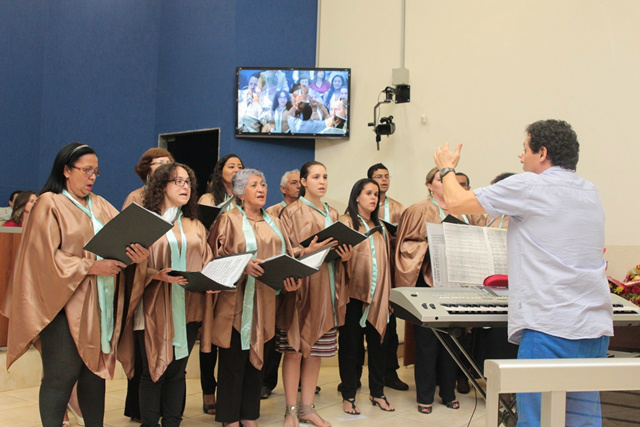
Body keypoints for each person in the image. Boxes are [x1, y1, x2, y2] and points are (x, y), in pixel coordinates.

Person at [433, 119, 613, 427]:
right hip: (593, 329)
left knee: (538, 421)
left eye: (524, 149)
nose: (521, 157)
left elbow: (454, 201)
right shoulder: (589, 190)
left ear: (542, 153)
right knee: (580, 422)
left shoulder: (529, 185)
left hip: (550, 328)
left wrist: (447, 169)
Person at [1, 142, 148, 427]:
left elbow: (120, 243)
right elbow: (41, 257)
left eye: (96, 171)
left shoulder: (102, 204)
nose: (92, 176)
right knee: (61, 376)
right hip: (63, 304)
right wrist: (90, 266)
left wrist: (135, 256)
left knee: (94, 375)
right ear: (66, 170)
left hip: (99, 305)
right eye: (86, 170)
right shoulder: (50, 203)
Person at [205, 168, 302, 427]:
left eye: (263, 184)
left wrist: (290, 278)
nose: (261, 189)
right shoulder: (228, 220)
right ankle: (229, 417)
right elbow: (213, 258)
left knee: (258, 361)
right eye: (254, 185)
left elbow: (287, 254)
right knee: (234, 362)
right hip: (235, 301)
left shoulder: (274, 221)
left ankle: (249, 414)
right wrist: (243, 265)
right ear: (239, 192)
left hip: (267, 300)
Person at [120, 162, 215, 427]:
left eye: (188, 182)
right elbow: (126, 267)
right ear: (161, 186)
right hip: (152, 308)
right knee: (153, 372)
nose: (185, 187)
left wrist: (214, 278)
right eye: (178, 182)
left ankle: (173, 422)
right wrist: (153, 273)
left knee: (177, 372)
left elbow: (207, 259)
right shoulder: (145, 223)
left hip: (188, 307)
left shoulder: (194, 224)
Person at [395, 167, 485, 415]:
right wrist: (432, 243)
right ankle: (425, 395)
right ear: (429, 185)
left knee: (453, 339)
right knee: (427, 342)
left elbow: (482, 239)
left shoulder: (467, 210)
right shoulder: (419, 209)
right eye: (440, 179)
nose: (446, 184)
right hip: (428, 282)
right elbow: (404, 246)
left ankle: (448, 392)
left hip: (458, 283)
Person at [277, 161, 353, 427]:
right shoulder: (290, 212)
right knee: (296, 350)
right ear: (304, 181)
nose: (322, 181)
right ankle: (290, 409)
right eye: (316, 177)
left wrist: (345, 255)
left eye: (325, 177)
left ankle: (308, 408)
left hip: (327, 285)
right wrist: (306, 251)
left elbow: (339, 248)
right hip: (302, 288)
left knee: (316, 352)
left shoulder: (333, 213)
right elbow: (285, 249)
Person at [121, 147, 174, 424]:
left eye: (169, 164)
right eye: (158, 164)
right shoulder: (137, 197)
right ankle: (140, 410)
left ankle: (164, 409)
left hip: (170, 282)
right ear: (146, 169)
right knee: (144, 355)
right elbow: (127, 238)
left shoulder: (177, 201)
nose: (165, 168)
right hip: (144, 278)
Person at [337, 179, 395, 415]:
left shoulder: (380, 226)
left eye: (377, 194)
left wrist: (388, 296)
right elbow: (335, 257)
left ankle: (377, 392)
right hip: (353, 295)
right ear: (357, 196)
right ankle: (349, 395)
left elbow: (386, 263)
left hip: (378, 295)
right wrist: (343, 257)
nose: (374, 198)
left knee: (378, 345)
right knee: (350, 346)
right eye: (369, 193)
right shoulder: (346, 222)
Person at [197, 153, 244, 415]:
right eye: (231, 166)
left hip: (236, 272)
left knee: (228, 336)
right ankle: (207, 390)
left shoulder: (243, 199)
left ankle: (230, 391)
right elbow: (200, 233)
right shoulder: (207, 199)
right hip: (212, 269)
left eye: (240, 166)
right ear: (220, 171)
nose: (236, 169)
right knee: (209, 335)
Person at [367, 164, 409, 391]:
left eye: (386, 176)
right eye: (378, 177)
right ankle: (352, 376)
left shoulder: (398, 207)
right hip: (368, 272)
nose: (384, 180)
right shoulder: (361, 206)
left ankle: (390, 373)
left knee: (390, 327)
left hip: (390, 271)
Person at [261, 169, 301, 399]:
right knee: (274, 333)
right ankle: (266, 381)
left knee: (292, 331)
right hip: (276, 279)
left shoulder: (308, 211)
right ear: (283, 188)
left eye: (299, 182)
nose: (297, 186)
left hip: (298, 276)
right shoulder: (272, 213)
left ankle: (296, 381)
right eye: (293, 183)